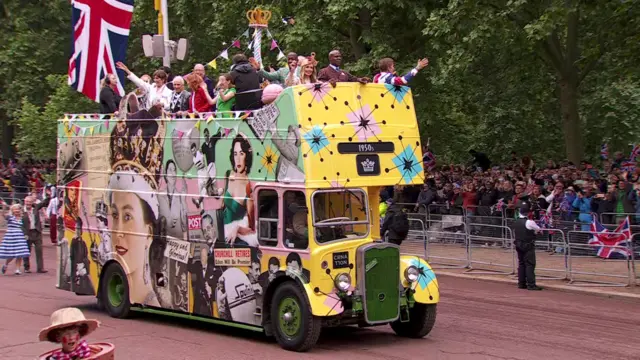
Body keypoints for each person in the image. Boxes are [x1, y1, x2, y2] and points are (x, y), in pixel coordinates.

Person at [513, 203, 543, 290]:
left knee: (521, 264)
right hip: (528, 245)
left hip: (518, 244)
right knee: (530, 264)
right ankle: (531, 284)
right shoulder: (530, 222)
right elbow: (539, 230)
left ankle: (521, 283)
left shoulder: (516, 221)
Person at [23, 194, 50, 273]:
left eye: (30, 202)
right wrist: (24, 233)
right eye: (27, 201)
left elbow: (44, 203)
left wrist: (50, 195)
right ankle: (26, 267)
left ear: (32, 202)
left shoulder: (36, 208)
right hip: (27, 233)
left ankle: (40, 268)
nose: (28, 203)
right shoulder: (21, 210)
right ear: (24, 202)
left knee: (39, 250)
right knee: (27, 251)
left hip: (36, 231)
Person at [0, 203, 30, 275]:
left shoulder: (22, 218)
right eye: (15, 209)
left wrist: (26, 234)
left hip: (19, 236)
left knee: (20, 254)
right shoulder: (10, 217)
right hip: (11, 236)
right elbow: (3, 215)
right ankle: (6, 264)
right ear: (12, 210)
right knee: (11, 254)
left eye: (18, 209)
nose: (17, 211)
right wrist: (4, 207)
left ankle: (17, 269)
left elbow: (26, 226)